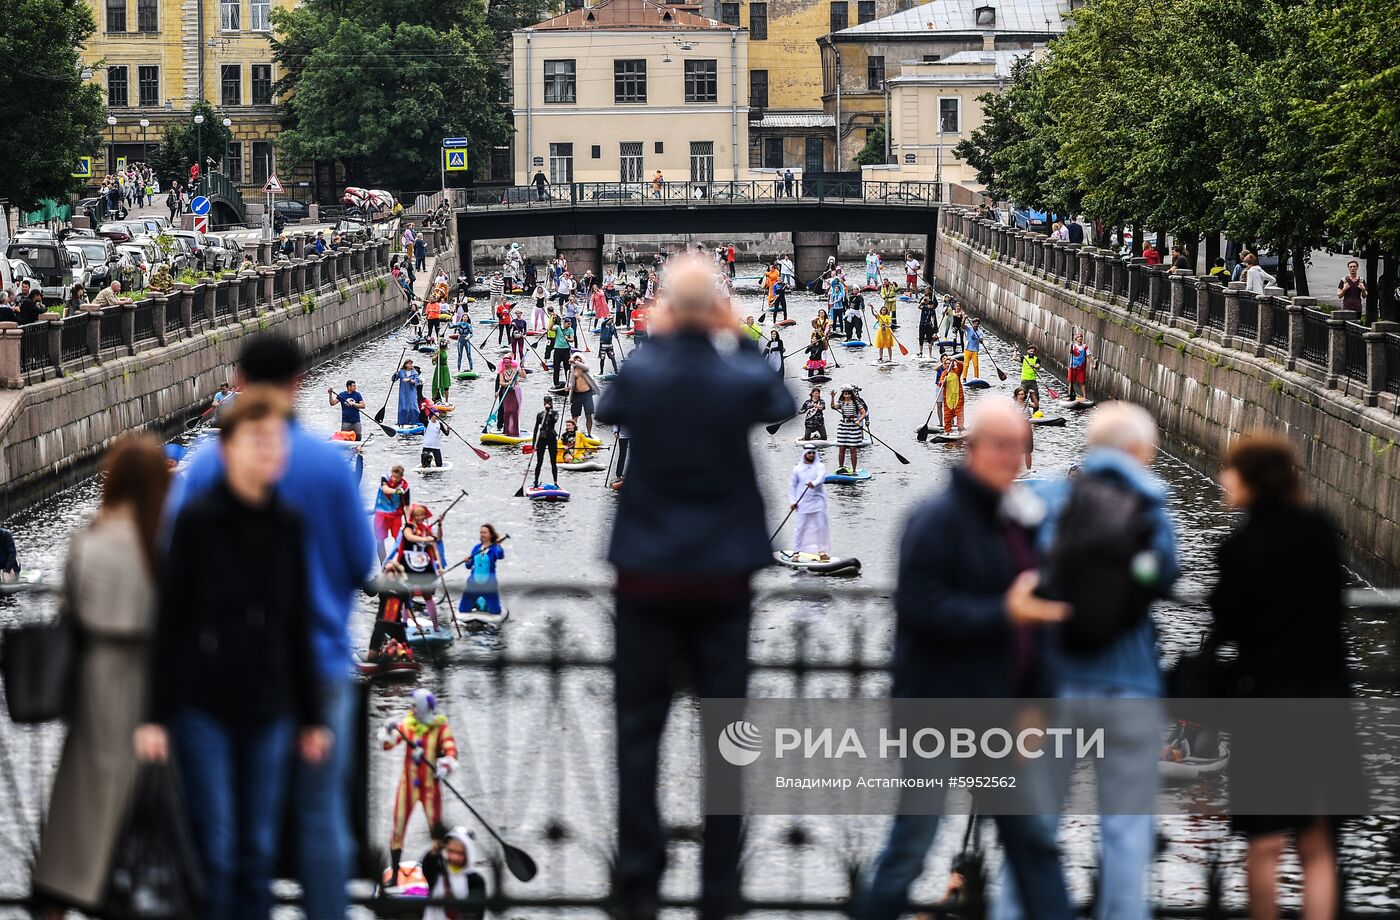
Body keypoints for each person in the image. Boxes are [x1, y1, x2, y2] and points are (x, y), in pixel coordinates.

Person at [595, 254, 794, 920]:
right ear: (713, 310)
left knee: (638, 732)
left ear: (665, 311)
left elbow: (608, 405)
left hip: (647, 574)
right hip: (722, 577)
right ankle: (718, 883)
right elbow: (780, 401)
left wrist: (657, 331)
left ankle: (641, 877)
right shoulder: (735, 374)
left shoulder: (644, 371)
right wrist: (734, 331)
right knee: (726, 733)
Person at [166, 338, 374, 920]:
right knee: (320, 822)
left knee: (225, 830)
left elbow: (170, 564)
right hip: (323, 663)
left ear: (237, 379)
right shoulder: (329, 463)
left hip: (226, 667)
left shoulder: (207, 464)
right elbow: (363, 564)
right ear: (298, 383)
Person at [858, 399, 1070, 920]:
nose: (1013, 458)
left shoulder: (1016, 523)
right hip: (937, 708)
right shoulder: (934, 520)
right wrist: (1003, 613)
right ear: (970, 448)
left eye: (1020, 447)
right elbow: (921, 608)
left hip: (999, 713)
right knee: (912, 844)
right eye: (1001, 446)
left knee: (1034, 846)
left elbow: (1034, 621)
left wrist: (1038, 702)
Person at [139, 388, 329, 920]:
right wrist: (154, 716)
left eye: (276, 444)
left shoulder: (288, 523)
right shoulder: (197, 521)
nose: (272, 454)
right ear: (228, 450)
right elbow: (170, 620)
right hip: (204, 703)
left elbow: (296, 622)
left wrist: (311, 716)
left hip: (270, 704)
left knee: (259, 853)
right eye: (259, 443)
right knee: (217, 849)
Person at [1016, 402, 1180, 920]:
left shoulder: (1046, 499)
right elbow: (1164, 577)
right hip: (1129, 683)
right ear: (1140, 452)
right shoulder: (1151, 504)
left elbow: (1025, 573)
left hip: (1057, 682)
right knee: (1127, 832)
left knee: (1036, 827)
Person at [1210, 434, 1359, 920]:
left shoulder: (1239, 548)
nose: (1222, 480)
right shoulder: (1320, 532)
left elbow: (1227, 625)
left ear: (1251, 479)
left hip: (1266, 705)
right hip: (1325, 701)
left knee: (1266, 842)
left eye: (1229, 472)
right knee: (1317, 843)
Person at [31, 438, 168, 917]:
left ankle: (67, 895)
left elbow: (67, 613)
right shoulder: (164, 542)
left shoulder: (89, 540)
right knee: (152, 816)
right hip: (153, 691)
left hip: (94, 687)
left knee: (79, 821)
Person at [382, 690, 459, 886]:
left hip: (430, 789)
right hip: (407, 787)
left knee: (436, 832)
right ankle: (394, 874)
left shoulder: (440, 727)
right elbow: (387, 745)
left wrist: (444, 765)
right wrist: (389, 730)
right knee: (397, 829)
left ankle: (439, 873)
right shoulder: (407, 724)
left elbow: (451, 752)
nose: (411, 708)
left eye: (415, 704)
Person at [420, 827, 486, 920]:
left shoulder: (475, 880)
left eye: (460, 853)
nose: (455, 857)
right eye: (451, 851)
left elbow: (477, 914)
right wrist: (435, 850)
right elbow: (428, 865)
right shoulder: (438, 872)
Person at [788, 447, 829, 559]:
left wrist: (814, 483)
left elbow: (821, 477)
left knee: (821, 526)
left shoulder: (819, 466)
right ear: (804, 454)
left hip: (818, 501)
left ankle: (822, 552)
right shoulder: (797, 469)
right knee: (800, 527)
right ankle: (796, 552)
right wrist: (793, 501)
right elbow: (792, 486)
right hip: (803, 502)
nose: (811, 455)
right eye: (809, 453)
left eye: (813, 453)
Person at [460, 523, 506, 614]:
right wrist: (467, 561)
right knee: (463, 609)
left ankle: (486, 605)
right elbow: (469, 566)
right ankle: (475, 604)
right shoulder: (476, 548)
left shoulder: (494, 549)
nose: (482, 535)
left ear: (491, 534)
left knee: (496, 611)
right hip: (474, 583)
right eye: (481, 532)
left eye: (485, 533)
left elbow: (500, 556)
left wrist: (499, 545)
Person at [373, 465, 411, 564]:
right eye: (393, 476)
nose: (394, 479)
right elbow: (385, 489)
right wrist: (397, 491)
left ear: (401, 477)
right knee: (380, 541)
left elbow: (407, 506)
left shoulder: (405, 487)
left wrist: (408, 523)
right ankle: (384, 565)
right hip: (381, 514)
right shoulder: (385, 477)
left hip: (396, 516)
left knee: (399, 541)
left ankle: (400, 564)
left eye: (397, 477)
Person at [830, 386, 867, 474]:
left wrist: (859, 420)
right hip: (843, 426)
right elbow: (833, 407)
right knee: (841, 448)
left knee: (852, 448)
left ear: (851, 394)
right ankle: (841, 467)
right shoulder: (841, 402)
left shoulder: (856, 402)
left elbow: (863, 413)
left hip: (853, 427)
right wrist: (832, 397)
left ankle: (854, 470)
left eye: (848, 393)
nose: (846, 395)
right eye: (844, 393)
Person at [533, 395, 560, 487]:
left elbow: (554, 421)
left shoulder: (555, 413)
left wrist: (549, 412)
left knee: (553, 461)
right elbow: (536, 428)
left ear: (551, 403)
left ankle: (555, 482)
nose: (547, 404)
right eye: (545, 403)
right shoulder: (540, 414)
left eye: (549, 403)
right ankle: (536, 481)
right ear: (543, 403)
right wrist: (533, 444)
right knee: (539, 461)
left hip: (551, 437)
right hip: (542, 438)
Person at [570, 354, 600, 436]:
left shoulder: (585, 367)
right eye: (575, 358)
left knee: (588, 415)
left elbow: (586, 367)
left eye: (578, 358)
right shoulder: (572, 370)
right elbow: (570, 382)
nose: (577, 360)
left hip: (587, 394)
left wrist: (575, 361)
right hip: (576, 395)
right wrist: (568, 387)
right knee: (574, 416)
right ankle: (573, 434)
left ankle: (589, 433)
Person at [495, 356, 523, 437]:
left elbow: (524, 376)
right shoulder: (502, 371)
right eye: (505, 362)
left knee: (515, 411)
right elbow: (501, 382)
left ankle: (515, 430)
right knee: (507, 411)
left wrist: (521, 368)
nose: (506, 364)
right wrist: (508, 384)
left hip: (516, 391)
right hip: (506, 392)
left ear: (511, 362)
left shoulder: (515, 369)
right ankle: (506, 430)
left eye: (508, 362)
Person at [391, 359, 422, 428]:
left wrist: (410, 380)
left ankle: (415, 422)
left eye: (411, 364)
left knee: (413, 406)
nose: (411, 365)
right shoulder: (401, 372)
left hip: (411, 392)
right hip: (403, 392)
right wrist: (395, 374)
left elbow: (417, 382)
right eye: (409, 364)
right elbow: (394, 379)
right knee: (403, 407)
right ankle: (402, 422)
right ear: (405, 365)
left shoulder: (414, 373)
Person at [1013, 386, 1035, 469]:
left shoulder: (1027, 403)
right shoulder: (1012, 405)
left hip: (1027, 427)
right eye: (1019, 394)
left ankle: (1029, 470)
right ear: (1016, 396)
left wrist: (1032, 395)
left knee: (1028, 451)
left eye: (1022, 394)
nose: (1021, 396)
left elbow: (1036, 405)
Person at [549, 312, 574, 386]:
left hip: (566, 350)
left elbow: (572, 340)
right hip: (558, 350)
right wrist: (553, 321)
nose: (569, 325)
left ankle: (568, 383)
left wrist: (567, 338)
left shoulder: (570, 330)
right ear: (564, 323)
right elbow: (550, 328)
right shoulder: (558, 327)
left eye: (570, 324)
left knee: (567, 368)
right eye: (568, 324)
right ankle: (556, 383)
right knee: (556, 368)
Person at [942, 357, 966, 433]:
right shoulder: (944, 373)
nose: (948, 365)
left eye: (950, 363)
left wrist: (955, 360)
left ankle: (960, 429)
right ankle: (948, 431)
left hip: (958, 396)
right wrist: (943, 382)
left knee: (960, 413)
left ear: (952, 364)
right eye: (947, 363)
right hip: (948, 397)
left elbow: (961, 365)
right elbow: (940, 383)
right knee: (947, 415)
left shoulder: (957, 371)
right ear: (945, 365)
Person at [1066, 333, 1091, 400]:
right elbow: (1070, 352)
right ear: (1076, 339)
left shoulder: (1085, 347)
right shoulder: (1073, 346)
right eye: (1078, 337)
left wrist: (1092, 364)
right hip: (1073, 367)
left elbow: (1089, 356)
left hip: (1081, 368)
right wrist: (1070, 346)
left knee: (1082, 382)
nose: (1080, 338)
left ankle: (1084, 397)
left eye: (1081, 337)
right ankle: (1070, 395)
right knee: (1071, 381)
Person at [452, 301, 474, 372]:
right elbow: (451, 327)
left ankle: (471, 369)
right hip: (460, 340)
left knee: (469, 355)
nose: (465, 318)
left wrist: (468, 337)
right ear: (462, 318)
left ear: (467, 318)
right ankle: (458, 370)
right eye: (464, 317)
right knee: (460, 355)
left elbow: (471, 334)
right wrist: (449, 321)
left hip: (466, 341)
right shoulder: (459, 324)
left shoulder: (469, 325)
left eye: (466, 317)